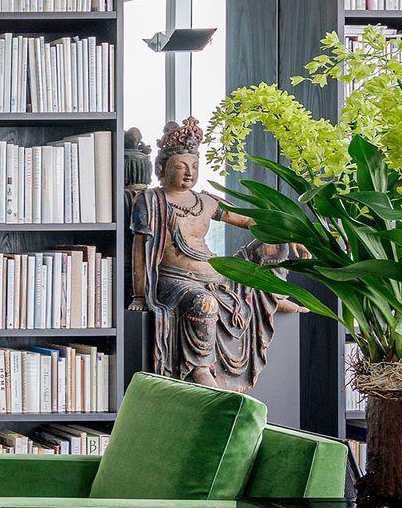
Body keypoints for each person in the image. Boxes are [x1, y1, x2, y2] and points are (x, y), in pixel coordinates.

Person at [126, 116, 302, 392]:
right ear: (161, 168)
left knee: (274, 242)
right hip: (177, 281)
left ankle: (271, 296)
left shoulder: (206, 201)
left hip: (218, 275)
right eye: (181, 166)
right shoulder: (151, 201)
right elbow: (140, 250)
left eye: (194, 167)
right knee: (204, 303)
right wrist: (139, 296)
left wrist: (293, 234)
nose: (189, 173)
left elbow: (251, 220)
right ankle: (199, 366)